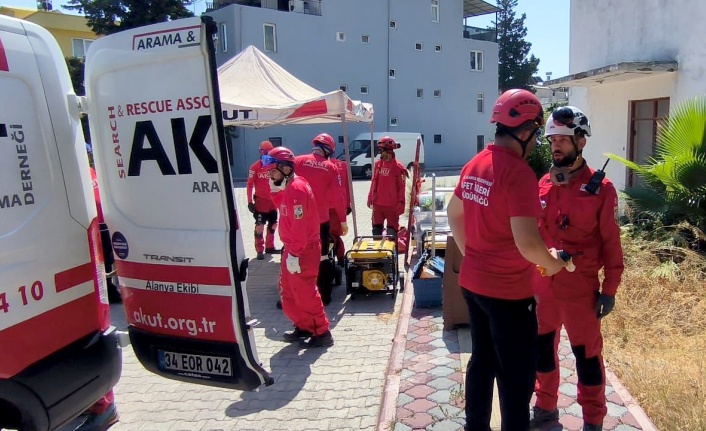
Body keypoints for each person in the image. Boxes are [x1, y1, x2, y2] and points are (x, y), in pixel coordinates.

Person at [446, 89, 568, 431]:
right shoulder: (518, 173)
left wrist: (473, 252)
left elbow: (453, 212)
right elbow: (529, 244)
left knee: (482, 362)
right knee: (516, 376)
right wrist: (554, 262)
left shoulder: (476, 163)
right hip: (508, 294)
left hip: (473, 283)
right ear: (526, 132)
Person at [530, 107, 624, 431]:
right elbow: (532, 235)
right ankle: (544, 408)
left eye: (563, 140)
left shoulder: (602, 189)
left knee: (587, 360)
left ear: (581, 141)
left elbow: (612, 243)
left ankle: (593, 420)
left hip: (580, 290)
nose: (556, 146)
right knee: (542, 352)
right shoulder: (543, 184)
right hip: (543, 286)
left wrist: (609, 290)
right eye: (552, 139)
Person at [263, 146, 334, 348]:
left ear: (285, 168)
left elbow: (300, 226)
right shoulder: (288, 186)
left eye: (272, 170)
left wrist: (294, 253)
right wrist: (274, 189)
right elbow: (282, 207)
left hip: (302, 250)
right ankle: (303, 326)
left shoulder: (297, 189)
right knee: (289, 292)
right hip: (293, 248)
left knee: (305, 292)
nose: (270, 174)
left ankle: (322, 332)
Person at [76, 144, 119, 430]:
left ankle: (103, 405)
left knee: (92, 325)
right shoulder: (89, 173)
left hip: (90, 254)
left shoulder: (84, 175)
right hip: (92, 251)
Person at [294, 133, 348, 305]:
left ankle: (296, 295)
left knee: (295, 255)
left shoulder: (297, 161)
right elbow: (339, 197)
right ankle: (324, 297)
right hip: (320, 220)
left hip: (298, 219)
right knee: (323, 256)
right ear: (328, 151)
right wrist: (342, 220)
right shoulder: (331, 167)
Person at [367, 136, 408, 237]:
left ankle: (393, 252)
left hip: (392, 206)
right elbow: (374, 181)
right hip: (378, 205)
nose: (380, 153)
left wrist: (400, 204)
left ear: (389, 151)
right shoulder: (378, 165)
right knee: (376, 231)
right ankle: (378, 252)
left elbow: (402, 187)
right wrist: (370, 197)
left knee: (391, 234)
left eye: (381, 151)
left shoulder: (399, 168)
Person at [246, 140, 279, 260]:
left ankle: (270, 247)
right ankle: (259, 249)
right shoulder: (255, 167)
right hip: (261, 201)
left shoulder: (275, 166)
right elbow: (249, 184)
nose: (265, 153)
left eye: (268, 151)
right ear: (259, 151)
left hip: (273, 201)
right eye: (263, 151)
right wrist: (249, 201)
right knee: (260, 226)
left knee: (273, 224)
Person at [330, 157, 353, 267]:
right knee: (336, 235)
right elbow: (347, 187)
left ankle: (339, 259)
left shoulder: (313, 164)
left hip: (324, 208)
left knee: (330, 234)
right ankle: (340, 260)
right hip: (338, 207)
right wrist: (347, 205)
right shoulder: (342, 165)